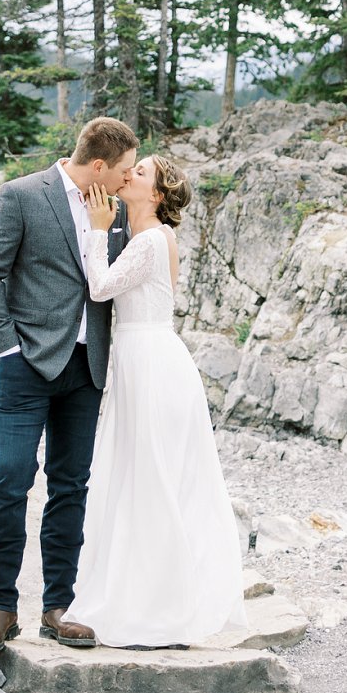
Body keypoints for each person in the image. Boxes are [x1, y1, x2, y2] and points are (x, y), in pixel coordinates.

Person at [0, 116, 136, 651]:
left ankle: (59, 606)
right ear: (98, 166)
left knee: (71, 487)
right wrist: (8, 346)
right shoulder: (21, 195)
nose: (127, 181)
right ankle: (0, 606)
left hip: (87, 369)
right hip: (26, 366)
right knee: (8, 479)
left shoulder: (119, 209)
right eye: (124, 171)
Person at [68, 155, 248, 648]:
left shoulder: (147, 239)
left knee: (148, 476)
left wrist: (98, 230)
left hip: (148, 362)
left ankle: (155, 603)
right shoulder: (151, 238)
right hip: (146, 357)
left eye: (141, 173)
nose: (129, 176)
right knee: (146, 475)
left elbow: (101, 288)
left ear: (158, 195)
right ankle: (150, 589)